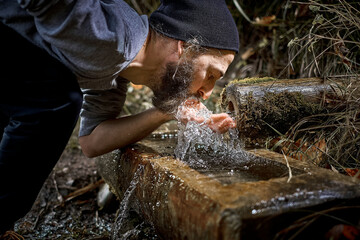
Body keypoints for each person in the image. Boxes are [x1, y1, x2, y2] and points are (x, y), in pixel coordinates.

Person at [0, 0, 239, 235]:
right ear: (184, 47)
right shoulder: (111, 35)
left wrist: (166, 112)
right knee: (56, 99)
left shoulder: (116, 73)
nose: (206, 93)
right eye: (211, 74)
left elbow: (92, 141)